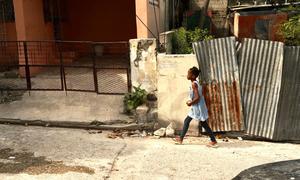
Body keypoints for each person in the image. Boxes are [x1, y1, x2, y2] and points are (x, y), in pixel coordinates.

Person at [173, 66, 217, 147]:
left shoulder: (194, 84)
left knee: (200, 123)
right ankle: (181, 139)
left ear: (193, 76)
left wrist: (190, 103)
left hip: (197, 107)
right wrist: (192, 101)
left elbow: (197, 97)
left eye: (188, 74)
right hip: (197, 106)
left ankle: (213, 141)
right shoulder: (195, 83)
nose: (187, 75)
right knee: (190, 121)